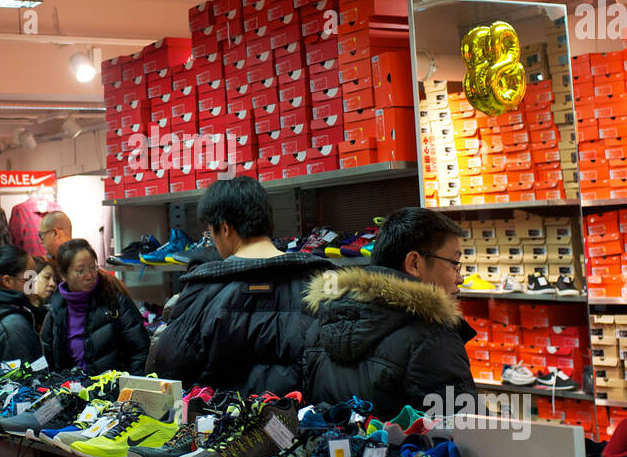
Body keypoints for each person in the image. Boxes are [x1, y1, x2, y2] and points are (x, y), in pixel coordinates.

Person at [148, 176, 331, 395]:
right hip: (305, 424)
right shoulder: (322, 284)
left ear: (225, 228)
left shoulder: (201, 292)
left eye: (210, 232)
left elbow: (170, 370)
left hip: (224, 424)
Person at [301, 208, 478, 420]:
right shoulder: (432, 339)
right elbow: (466, 433)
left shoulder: (319, 326)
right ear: (414, 263)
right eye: (454, 264)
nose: (460, 279)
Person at [42, 240, 149, 375]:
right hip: (73, 392)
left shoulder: (114, 301)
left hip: (115, 391)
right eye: (80, 271)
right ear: (63, 275)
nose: (90, 275)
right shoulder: (56, 310)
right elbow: (48, 358)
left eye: (93, 267)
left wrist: (130, 387)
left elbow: (141, 350)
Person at [27, 257, 57, 332]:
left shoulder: (54, 313)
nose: (53, 284)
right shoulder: (20, 314)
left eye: (54, 279)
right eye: (47, 277)